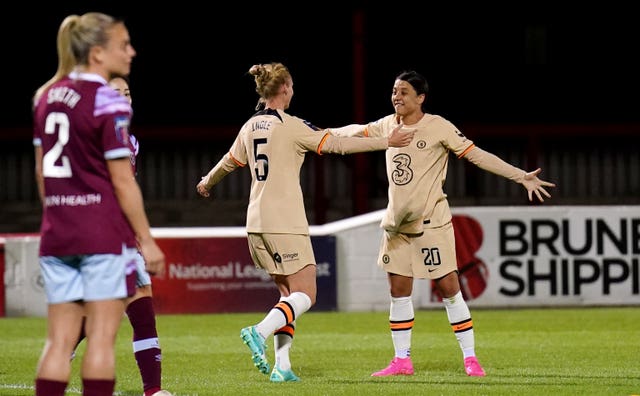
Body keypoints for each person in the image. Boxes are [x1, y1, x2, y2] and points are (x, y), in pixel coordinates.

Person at [196, 62, 415, 382]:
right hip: (284, 222)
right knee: (307, 294)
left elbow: (230, 162)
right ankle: (258, 332)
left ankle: (282, 367)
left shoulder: (251, 125)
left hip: (255, 223)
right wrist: (387, 142)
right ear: (284, 88)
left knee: (288, 296)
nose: (293, 91)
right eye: (292, 86)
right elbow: (337, 143)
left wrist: (206, 182)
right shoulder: (291, 125)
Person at [329, 70, 556, 378]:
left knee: (449, 287)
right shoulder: (386, 126)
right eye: (395, 91)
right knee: (398, 290)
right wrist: (316, 133)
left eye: (404, 92)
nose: (397, 96)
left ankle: (470, 357)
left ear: (421, 98)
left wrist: (519, 176)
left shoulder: (438, 127)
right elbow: (354, 131)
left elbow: (476, 155)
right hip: (397, 225)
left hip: (431, 223)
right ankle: (401, 360)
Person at [32, 12, 165, 396]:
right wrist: (147, 239)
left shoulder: (47, 95)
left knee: (59, 341)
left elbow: (43, 174)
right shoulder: (106, 100)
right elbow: (123, 180)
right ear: (98, 52)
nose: (131, 51)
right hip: (100, 235)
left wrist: (60, 215)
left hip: (58, 233)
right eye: (123, 45)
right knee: (102, 342)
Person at [69, 76, 172, 396]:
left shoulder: (130, 140)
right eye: (117, 93)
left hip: (120, 235)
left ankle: (153, 390)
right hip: (100, 234)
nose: (125, 98)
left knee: (137, 310)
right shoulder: (95, 136)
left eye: (128, 92)